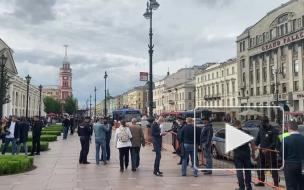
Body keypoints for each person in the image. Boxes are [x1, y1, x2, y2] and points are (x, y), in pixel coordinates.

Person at [255, 116, 280, 187]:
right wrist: (255, 145)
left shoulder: (274, 130)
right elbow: (258, 140)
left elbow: (274, 142)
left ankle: (276, 183)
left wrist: (267, 149)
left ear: (267, 122)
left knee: (272, 167)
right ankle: (261, 181)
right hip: (261, 151)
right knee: (260, 166)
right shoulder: (261, 129)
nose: (263, 126)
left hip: (270, 152)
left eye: (264, 124)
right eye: (262, 124)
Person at [233, 120, 255, 190]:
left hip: (237, 154)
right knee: (248, 171)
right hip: (246, 154)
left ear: (235, 125)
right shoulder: (247, 132)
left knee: (239, 171)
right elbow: (252, 143)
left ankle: (241, 187)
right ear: (240, 125)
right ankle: (249, 187)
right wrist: (253, 153)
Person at [283, 121, 304, 190]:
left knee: (290, 185)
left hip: (289, 164)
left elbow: (282, 153)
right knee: (300, 185)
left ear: (288, 127)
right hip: (301, 164)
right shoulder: (302, 138)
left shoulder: (285, 139)